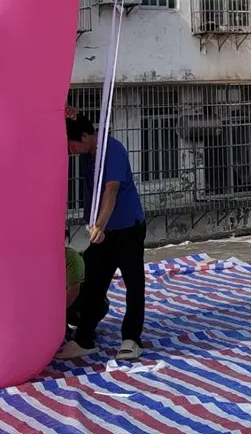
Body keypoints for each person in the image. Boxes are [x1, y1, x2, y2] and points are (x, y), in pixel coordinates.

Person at [57, 111, 146, 362]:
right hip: (102, 233)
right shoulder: (88, 153)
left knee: (134, 283)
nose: (70, 150)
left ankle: (131, 338)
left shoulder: (112, 149)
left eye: (72, 144)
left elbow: (111, 190)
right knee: (94, 282)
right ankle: (84, 338)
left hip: (127, 228)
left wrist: (99, 225)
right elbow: (72, 119)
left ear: (85, 136)